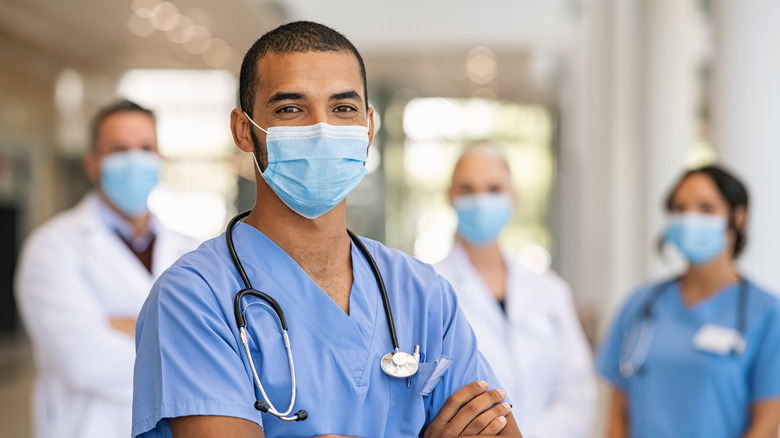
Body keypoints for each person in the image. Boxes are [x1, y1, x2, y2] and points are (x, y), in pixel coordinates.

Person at [132, 21, 523, 438]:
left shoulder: (421, 293)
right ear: (244, 131)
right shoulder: (196, 296)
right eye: (290, 109)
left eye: (343, 108)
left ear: (368, 127)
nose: (322, 130)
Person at [14, 99, 200, 438]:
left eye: (145, 148)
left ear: (160, 159)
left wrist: (126, 325)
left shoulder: (192, 250)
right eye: (119, 149)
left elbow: (228, 344)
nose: (134, 160)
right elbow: (83, 359)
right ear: (92, 163)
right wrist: (181, 339)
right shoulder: (52, 247)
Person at [596, 165, 780, 437]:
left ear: (738, 217)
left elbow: (765, 426)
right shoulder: (640, 305)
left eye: (706, 208)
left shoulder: (766, 313)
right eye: (679, 209)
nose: (690, 219)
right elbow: (617, 417)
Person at [434, 143, 596, 438]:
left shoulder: (549, 290)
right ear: (450, 197)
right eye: (468, 189)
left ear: (513, 198)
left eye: (494, 189)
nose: (481, 200)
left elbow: (576, 389)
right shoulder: (429, 288)